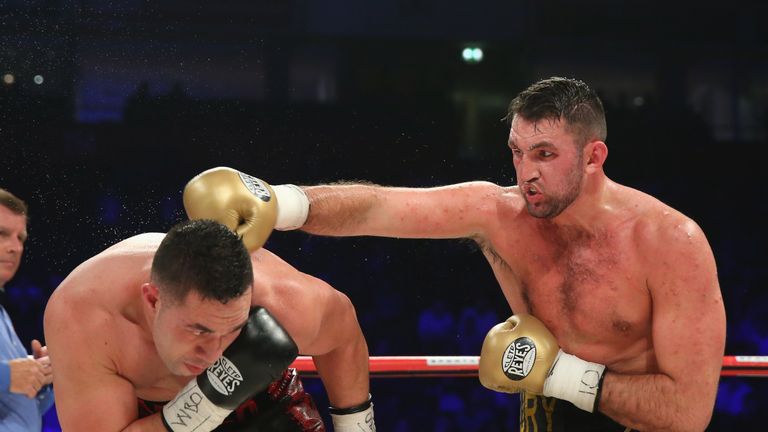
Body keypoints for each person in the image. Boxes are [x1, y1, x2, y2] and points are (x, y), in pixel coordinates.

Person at [183, 76, 727, 431]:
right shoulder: (499, 216)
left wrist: (560, 374)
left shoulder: (670, 243)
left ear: (594, 156)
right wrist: (281, 203)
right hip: (543, 413)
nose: (526, 171)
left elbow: (688, 412)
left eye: (545, 154)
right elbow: (378, 207)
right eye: (517, 152)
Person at [44, 219, 375, 431]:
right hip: (149, 420)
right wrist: (205, 403)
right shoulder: (85, 319)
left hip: (260, 400)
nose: (214, 353)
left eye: (233, 330)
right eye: (199, 330)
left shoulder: (281, 302)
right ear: (152, 300)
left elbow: (343, 333)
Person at [0, 188, 54, 431]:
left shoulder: (2, 316)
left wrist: (40, 379)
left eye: (20, 238)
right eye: (1, 234)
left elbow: (17, 413)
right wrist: (7, 376)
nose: (15, 247)